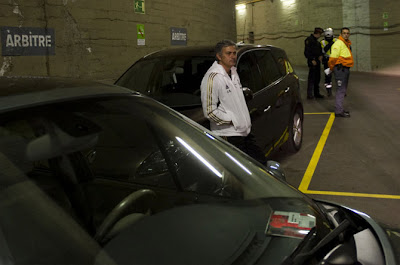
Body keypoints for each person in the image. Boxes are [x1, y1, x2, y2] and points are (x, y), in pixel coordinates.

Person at [200, 39, 266, 164]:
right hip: (229, 136)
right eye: (228, 53)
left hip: (244, 132)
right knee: (239, 174)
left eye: (234, 53)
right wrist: (233, 120)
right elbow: (209, 111)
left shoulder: (233, 72)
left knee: (260, 165)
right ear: (219, 56)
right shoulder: (212, 78)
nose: (232, 56)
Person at [328, 27, 354, 118]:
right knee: (340, 90)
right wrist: (331, 68)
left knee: (342, 90)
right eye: (344, 33)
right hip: (340, 70)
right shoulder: (338, 43)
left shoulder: (345, 44)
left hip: (345, 69)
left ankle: (340, 109)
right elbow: (332, 58)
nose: (346, 34)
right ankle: (338, 111)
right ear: (341, 34)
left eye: (347, 33)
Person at [304, 27, 325, 99]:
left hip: (317, 62)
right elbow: (307, 52)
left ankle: (316, 93)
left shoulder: (317, 42)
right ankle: (309, 94)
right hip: (312, 62)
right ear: (318, 33)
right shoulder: (309, 40)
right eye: (320, 34)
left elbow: (319, 51)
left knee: (317, 78)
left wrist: (321, 56)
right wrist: (312, 60)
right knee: (311, 79)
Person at [320, 28, 337, 97]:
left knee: (338, 76)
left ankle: (341, 90)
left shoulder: (336, 40)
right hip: (327, 61)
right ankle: (329, 91)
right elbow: (323, 51)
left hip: (336, 61)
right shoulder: (323, 42)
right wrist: (330, 44)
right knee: (328, 76)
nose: (328, 38)